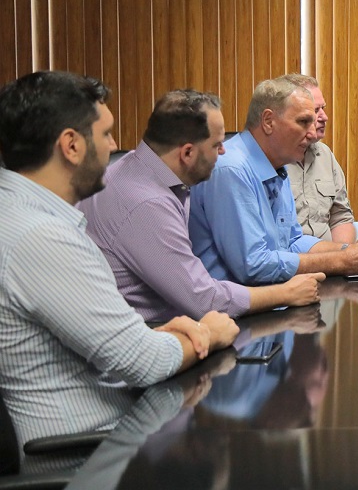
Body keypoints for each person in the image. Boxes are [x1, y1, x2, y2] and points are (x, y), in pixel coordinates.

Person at [0, 71, 238, 445]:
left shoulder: (18, 213)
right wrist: (207, 331)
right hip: (86, 452)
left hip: (109, 421)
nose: (114, 146)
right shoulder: (43, 238)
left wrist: (160, 336)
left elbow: (102, 345)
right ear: (71, 146)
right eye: (107, 134)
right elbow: (144, 363)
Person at [78, 90, 324, 323]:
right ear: (187, 153)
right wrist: (286, 293)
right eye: (217, 145)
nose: (223, 150)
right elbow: (203, 299)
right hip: (151, 335)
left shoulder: (141, 167)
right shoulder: (146, 203)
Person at [189, 76, 358, 285]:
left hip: (270, 301)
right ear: (268, 122)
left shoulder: (278, 164)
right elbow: (254, 266)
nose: (313, 134)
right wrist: (343, 260)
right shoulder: (232, 169)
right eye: (304, 122)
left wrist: (352, 250)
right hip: (229, 312)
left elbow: (293, 241)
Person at [281, 74, 358, 243]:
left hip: (330, 262)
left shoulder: (325, 155)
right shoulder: (274, 158)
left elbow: (340, 216)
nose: (324, 117)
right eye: (316, 110)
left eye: (323, 108)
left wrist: (344, 257)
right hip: (295, 264)